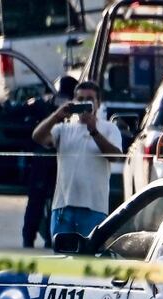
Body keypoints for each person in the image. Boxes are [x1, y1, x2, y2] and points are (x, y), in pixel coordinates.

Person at [31, 80, 122, 241]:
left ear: (98, 103)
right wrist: (56, 116)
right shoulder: (64, 129)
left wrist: (94, 131)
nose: (84, 103)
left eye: (89, 99)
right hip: (63, 209)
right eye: (80, 99)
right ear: (73, 102)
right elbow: (38, 137)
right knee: (62, 261)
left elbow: (115, 156)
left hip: (94, 209)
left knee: (89, 261)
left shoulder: (109, 128)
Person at [21, 75, 76, 248]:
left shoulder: (50, 103)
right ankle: (41, 238)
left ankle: (35, 238)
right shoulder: (69, 108)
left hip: (50, 158)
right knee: (47, 200)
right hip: (52, 158)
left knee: (42, 200)